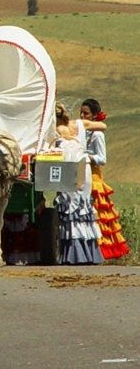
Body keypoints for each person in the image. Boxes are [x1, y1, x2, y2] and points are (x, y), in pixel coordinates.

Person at [54, 102, 105, 265]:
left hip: (69, 167)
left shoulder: (55, 130)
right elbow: (103, 125)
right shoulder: (80, 124)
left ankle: (74, 252)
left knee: (70, 206)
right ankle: (89, 252)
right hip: (84, 167)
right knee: (82, 206)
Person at [80, 99, 130, 260]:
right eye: (81, 112)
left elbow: (102, 158)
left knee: (97, 216)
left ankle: (101, 251)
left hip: (94, 177)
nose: (82, 115)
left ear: (94, 115)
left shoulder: (97, 135)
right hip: (81, 176)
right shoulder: (82, 132)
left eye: (86, 113)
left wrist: (86, 156)